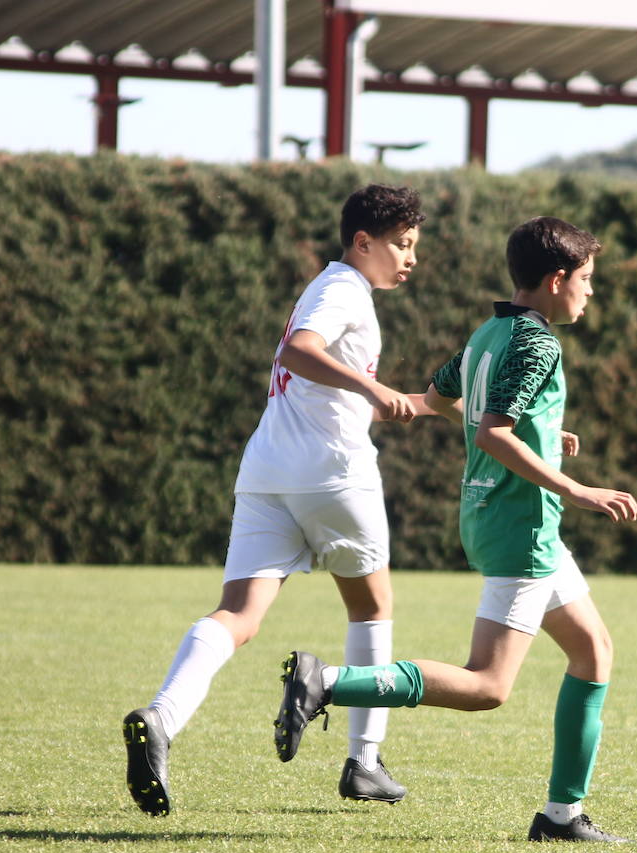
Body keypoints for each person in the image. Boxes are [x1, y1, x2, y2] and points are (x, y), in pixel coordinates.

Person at [273, 216, 637, 842]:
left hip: (499, 516)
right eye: (586, 279)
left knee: (593, 650)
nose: (590, 290)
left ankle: (562, 816)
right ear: (557, 279)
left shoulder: (490, 331)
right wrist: (575, 488)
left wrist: (542, 436)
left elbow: (443, 398)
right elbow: (494, 432)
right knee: (488, 686)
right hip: (523, 525)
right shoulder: (539, 343)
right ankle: (326, 682)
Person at [123, 184, 428, 816]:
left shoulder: (329, 287)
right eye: (401, 244)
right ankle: (364, 761)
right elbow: (298, 351)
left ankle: (161, 719)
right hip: (333, 475)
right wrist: (372, 389)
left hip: (268, 471)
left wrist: (450, 409)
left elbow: (343, 387)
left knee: (238, 615)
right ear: (362, 242)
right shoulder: (345, 289)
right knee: (371, 609)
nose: (411, 258)